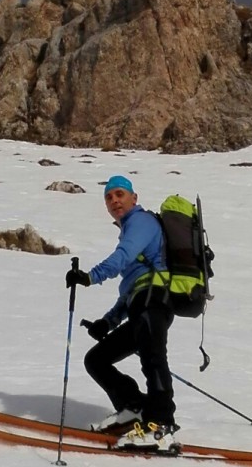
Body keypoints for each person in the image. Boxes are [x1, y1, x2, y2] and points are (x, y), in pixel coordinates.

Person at [65, 175, 178, 449]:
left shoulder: (141, 222)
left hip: (154, 302)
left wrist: (90, 276)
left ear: (134, 198)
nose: (114, 200)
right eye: (109, 197)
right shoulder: (130, 227)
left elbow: (123, 257)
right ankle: (134, 409)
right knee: (97, 359)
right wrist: (108, 321)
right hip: (142, 302)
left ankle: (161, 426)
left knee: (153, 360)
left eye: (119, 194)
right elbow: (131, 289)